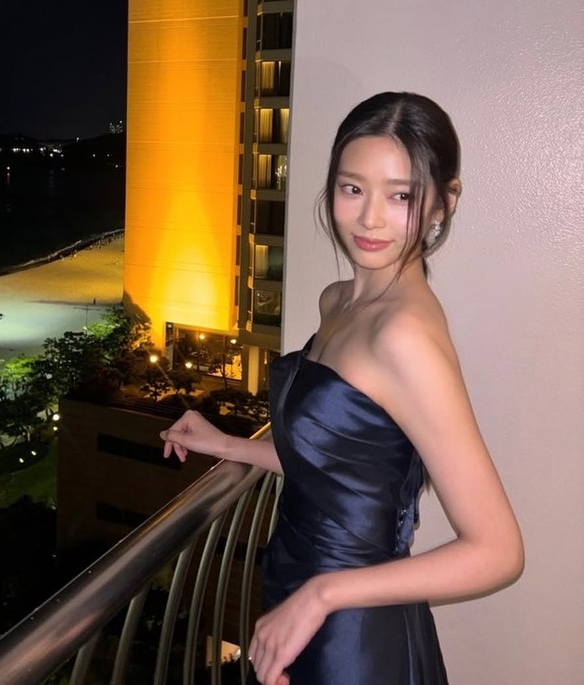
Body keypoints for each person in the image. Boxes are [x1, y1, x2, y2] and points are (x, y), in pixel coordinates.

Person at [160, 92, 524, 685]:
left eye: (401, 196)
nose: (370, 218)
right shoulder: (339, 302)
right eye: (352, 188)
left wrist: (322, 595)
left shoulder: (402, 336)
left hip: (353, 633)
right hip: (302, 594)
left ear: (444, 203)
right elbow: (341, 467)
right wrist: (229, 444)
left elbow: (499, 551)